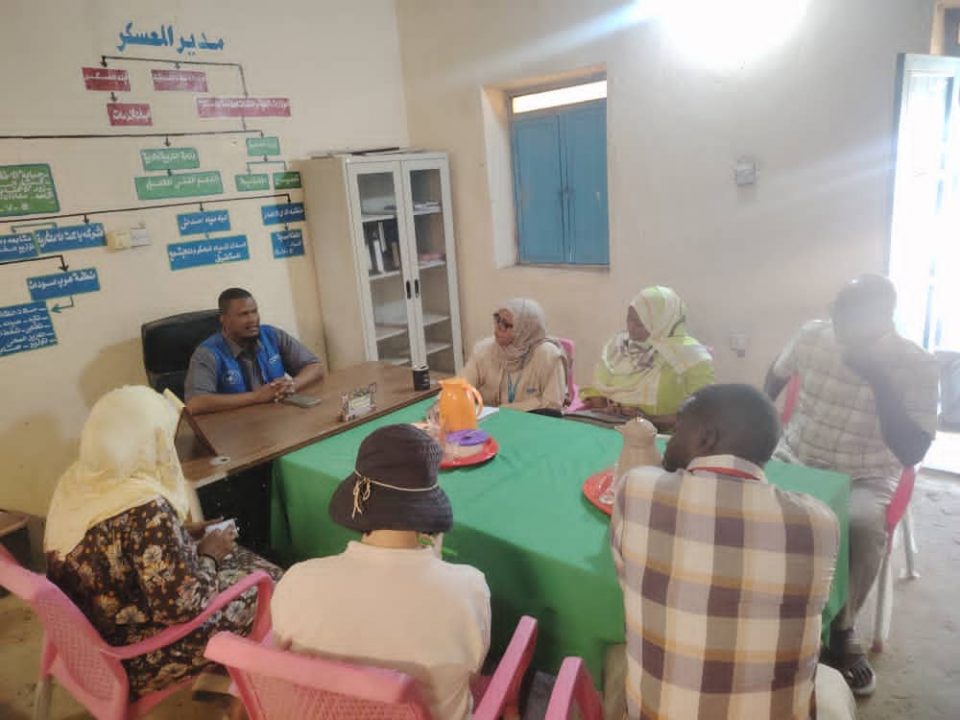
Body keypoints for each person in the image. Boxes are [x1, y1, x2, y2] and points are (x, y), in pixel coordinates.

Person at [609, 384, 855, 720]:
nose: (669, 440)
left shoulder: (637, 488)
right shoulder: (819, 522)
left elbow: (627, 576)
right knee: (830, 680)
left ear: (706, 438)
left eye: (678, 429)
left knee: (616, 657)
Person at [44, 386, 282, 700]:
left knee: (239, 559)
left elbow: (119, 548)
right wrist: (209, 554)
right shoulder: (144, 507)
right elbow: (183, 606)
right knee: (275, 584)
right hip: (136, 656)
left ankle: (230, 670)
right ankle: (256, 687)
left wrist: (180, 533)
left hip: (92, 640)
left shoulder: (78, 482)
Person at [765, 274, 938, 696]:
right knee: (744, 499)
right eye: (836, 315)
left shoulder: (915, 364)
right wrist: (762, 420)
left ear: (883, 319)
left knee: (861, 526)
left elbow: (912, 449)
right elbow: (776, 374)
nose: (838, 328)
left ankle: (842, 629)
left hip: (865, 473)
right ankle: (764, 603)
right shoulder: (813, 335)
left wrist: (879, 380)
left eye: (850, 321)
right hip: (797, 455)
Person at [271, 424, 491, 720]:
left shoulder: (297, 581)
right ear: (426, 510)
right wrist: (436, 567)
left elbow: (282, 657)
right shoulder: (468, 588)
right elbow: (473, 673)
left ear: (358, 500)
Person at [582, 286, 714, 430]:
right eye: (629, 319)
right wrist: (607, 412)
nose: (631, 327)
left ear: (661, 323)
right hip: (611, 428)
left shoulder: (691, 357)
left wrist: (648, 420)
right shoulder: (619, 346)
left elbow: (702, 413)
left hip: (663, 436)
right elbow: (597, 389)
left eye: (640, 324)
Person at [184, 287, 324, 414]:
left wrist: (292, 385)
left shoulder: (271, 335)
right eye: (243, 314)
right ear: (224, 319)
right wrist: (256, 397)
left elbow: (314, 366)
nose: (253, 320)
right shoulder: (207, 353)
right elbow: (195, 403)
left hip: (278, 418)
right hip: (236, 426)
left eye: (254, 312)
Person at [462, 297, 567, 412]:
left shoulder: (548, 356)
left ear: (524, 330)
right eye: (498, 319)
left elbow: (552, 403)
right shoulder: (484, 349)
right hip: (489, 418)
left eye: (505, 324)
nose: (498, 327)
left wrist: (503, 410)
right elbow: (461, 387)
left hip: (532, 419)